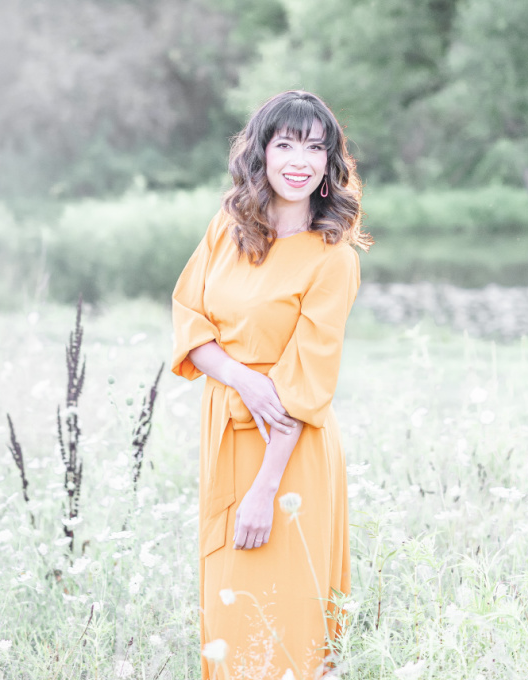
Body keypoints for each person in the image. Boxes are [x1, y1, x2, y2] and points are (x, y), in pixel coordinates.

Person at [170, 90, 371, 680]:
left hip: (289, 453)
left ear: (330, 162)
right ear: (261, 154)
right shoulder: (226, 231)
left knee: (284, 617)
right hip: (227, 432)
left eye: (314, 146)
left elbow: (304, 383)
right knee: (228, 610)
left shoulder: (333, 259)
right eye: (285, 144)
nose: (299, 160)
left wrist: (265, 489)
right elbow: (189, 321)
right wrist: (240, 378)